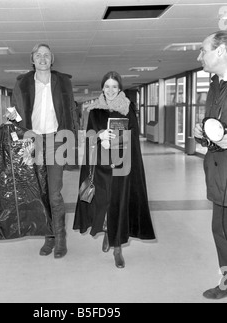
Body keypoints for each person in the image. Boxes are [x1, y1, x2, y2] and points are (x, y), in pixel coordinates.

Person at [73, 71, 155, 269]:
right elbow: (88, 137)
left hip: (122, 165)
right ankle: (108, 232)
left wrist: (120, 140)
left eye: (115, 87)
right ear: (102, 87)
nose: (111, 90)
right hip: (100, 164)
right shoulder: (94, 110)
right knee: (103, 201)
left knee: (118, 202)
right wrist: (99, 136)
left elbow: (134, 137)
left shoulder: (128, 109)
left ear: (120, 89)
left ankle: (117, 247)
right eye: (107, 86)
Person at [7, 43, 79, 259]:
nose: (42, 58)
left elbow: (71, 113)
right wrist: (12, 131)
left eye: (46, 55)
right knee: (41, 193)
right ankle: (49, 237)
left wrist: (72, 145)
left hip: (57, 139)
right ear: (32, 59)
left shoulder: (63, 82)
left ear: (52, 59)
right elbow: (14, 112)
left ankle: (60, 238)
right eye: (38, 55)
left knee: (55, 193)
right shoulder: (22, 83)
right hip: (33, 141)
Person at [194, 30, 227, 300]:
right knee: (220, 229)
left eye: (203, 50)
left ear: (221, 51)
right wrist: (201, 132)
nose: (199, 55)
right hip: (218, 171)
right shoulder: (215, 84)